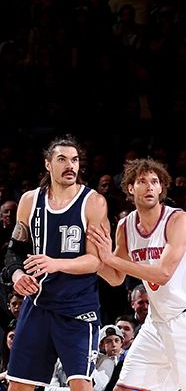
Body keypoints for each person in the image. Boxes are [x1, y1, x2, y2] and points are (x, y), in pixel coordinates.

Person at [88, 158, 186, 390]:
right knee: (125, 388)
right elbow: (117, 277)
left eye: (154, 181)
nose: (149, 186)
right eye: (142, 181)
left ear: (161, 188)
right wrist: (93, 258)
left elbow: (162, 274)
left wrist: (110, 258)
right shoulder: (125, 226)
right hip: (157, 323)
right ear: (130, 188)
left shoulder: (179, 220)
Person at [1, 136, 109, 391]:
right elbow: (14, 251)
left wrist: (55, 263)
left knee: (81, 385)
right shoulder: (29, 200)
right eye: (62, 159)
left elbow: (96, 261)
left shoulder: (93, 202)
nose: (70, 165)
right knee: (18, 386)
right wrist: (17, 276)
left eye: (75, 160)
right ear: (48, 164)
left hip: (77, 307)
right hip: (38, 305)